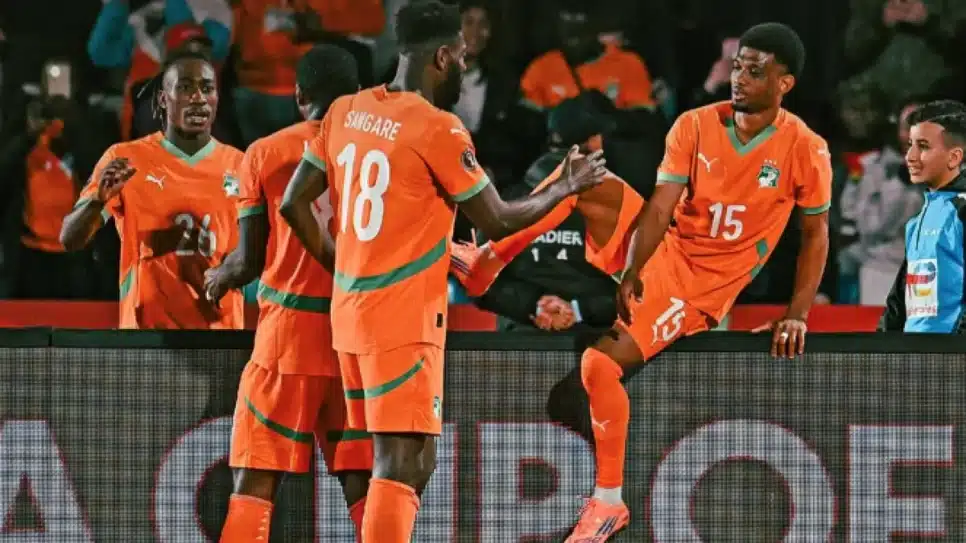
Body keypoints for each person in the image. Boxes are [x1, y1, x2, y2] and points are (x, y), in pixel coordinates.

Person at [452, 23, 832, 540]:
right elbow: (660, 207)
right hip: (663, 252)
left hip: (698, 289)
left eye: (755, 70)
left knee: (598, 365)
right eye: (738, 65)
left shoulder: (806, 148)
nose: (740, 77)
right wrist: (634, 266)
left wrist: (797, 313)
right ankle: (487, 261)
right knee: (583, 174)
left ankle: (609, 502)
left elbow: (815, 235)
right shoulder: (695, 124)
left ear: (784, 83)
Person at [278, 3, 607, 540]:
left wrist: (343, 266)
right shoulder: (438, 128)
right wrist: (564, 187)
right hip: (402, 323)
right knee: (402, 462)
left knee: (407, 459)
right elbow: (498, 219)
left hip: (351, 316)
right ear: (442, 57)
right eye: (461, 56)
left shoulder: (346, 111)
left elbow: (294, 203)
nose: (464, 65)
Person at [203, 45, 372, 541]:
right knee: (362, 478)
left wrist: (219, 277)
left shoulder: (265, 153)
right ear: (357, 95)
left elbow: (248, 261)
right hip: (354, 336)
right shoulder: (374, 156)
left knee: (257, 477)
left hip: (287, 338)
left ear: (299, 95)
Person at [60, 50, 244, 329]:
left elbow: (259, 252)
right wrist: (97, 201)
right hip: (145, 334)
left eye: (207, 88)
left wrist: (231, 269)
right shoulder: (124, 158)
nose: (198, 97)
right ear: (162, 99)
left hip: (219, 332)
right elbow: (69, 239)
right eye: (185, 87)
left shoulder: (241, 165)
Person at [879, 100, 966, 333]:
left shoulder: (962, 212)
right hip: (916, 353)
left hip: (951, 353)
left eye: (923, 146)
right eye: (910, 145)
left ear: (954, 157)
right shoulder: (916, 222)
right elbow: (898, 305)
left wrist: (955, 347)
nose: (910, 156)